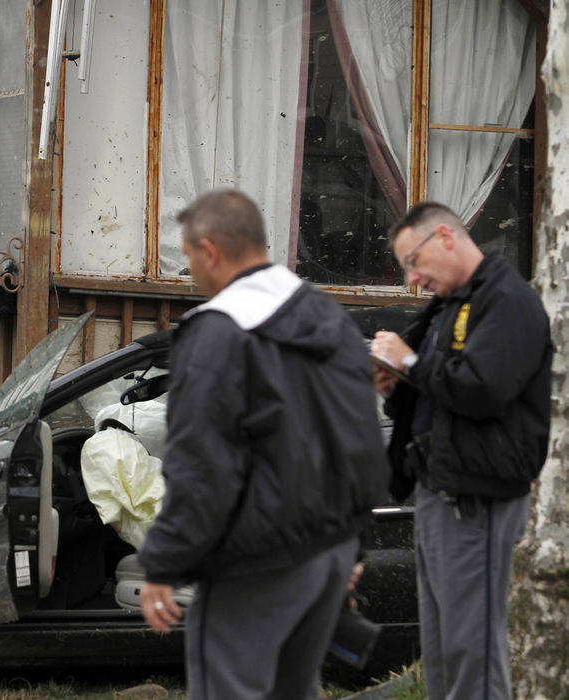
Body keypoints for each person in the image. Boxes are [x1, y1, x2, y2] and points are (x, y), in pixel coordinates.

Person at [137, 189, 387, 699]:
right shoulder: (328, 317)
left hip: (255, 561)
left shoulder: (216, 333)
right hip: (328, 549)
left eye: (187, 258)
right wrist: (353, 542)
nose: (190, 275)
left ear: (210, 251)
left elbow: (202, 464)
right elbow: (361, 437)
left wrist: (163, 563)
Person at [370, 202, 552, 700]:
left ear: (446, 237)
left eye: (414, 262)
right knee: (445, 654)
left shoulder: (507, 300)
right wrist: (396, 383)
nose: (413, 278)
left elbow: (484, 390)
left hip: (479, 500)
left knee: (474, 657)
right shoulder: (452, 304)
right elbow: (440, 389)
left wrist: (408, 360)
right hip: (437, 491)